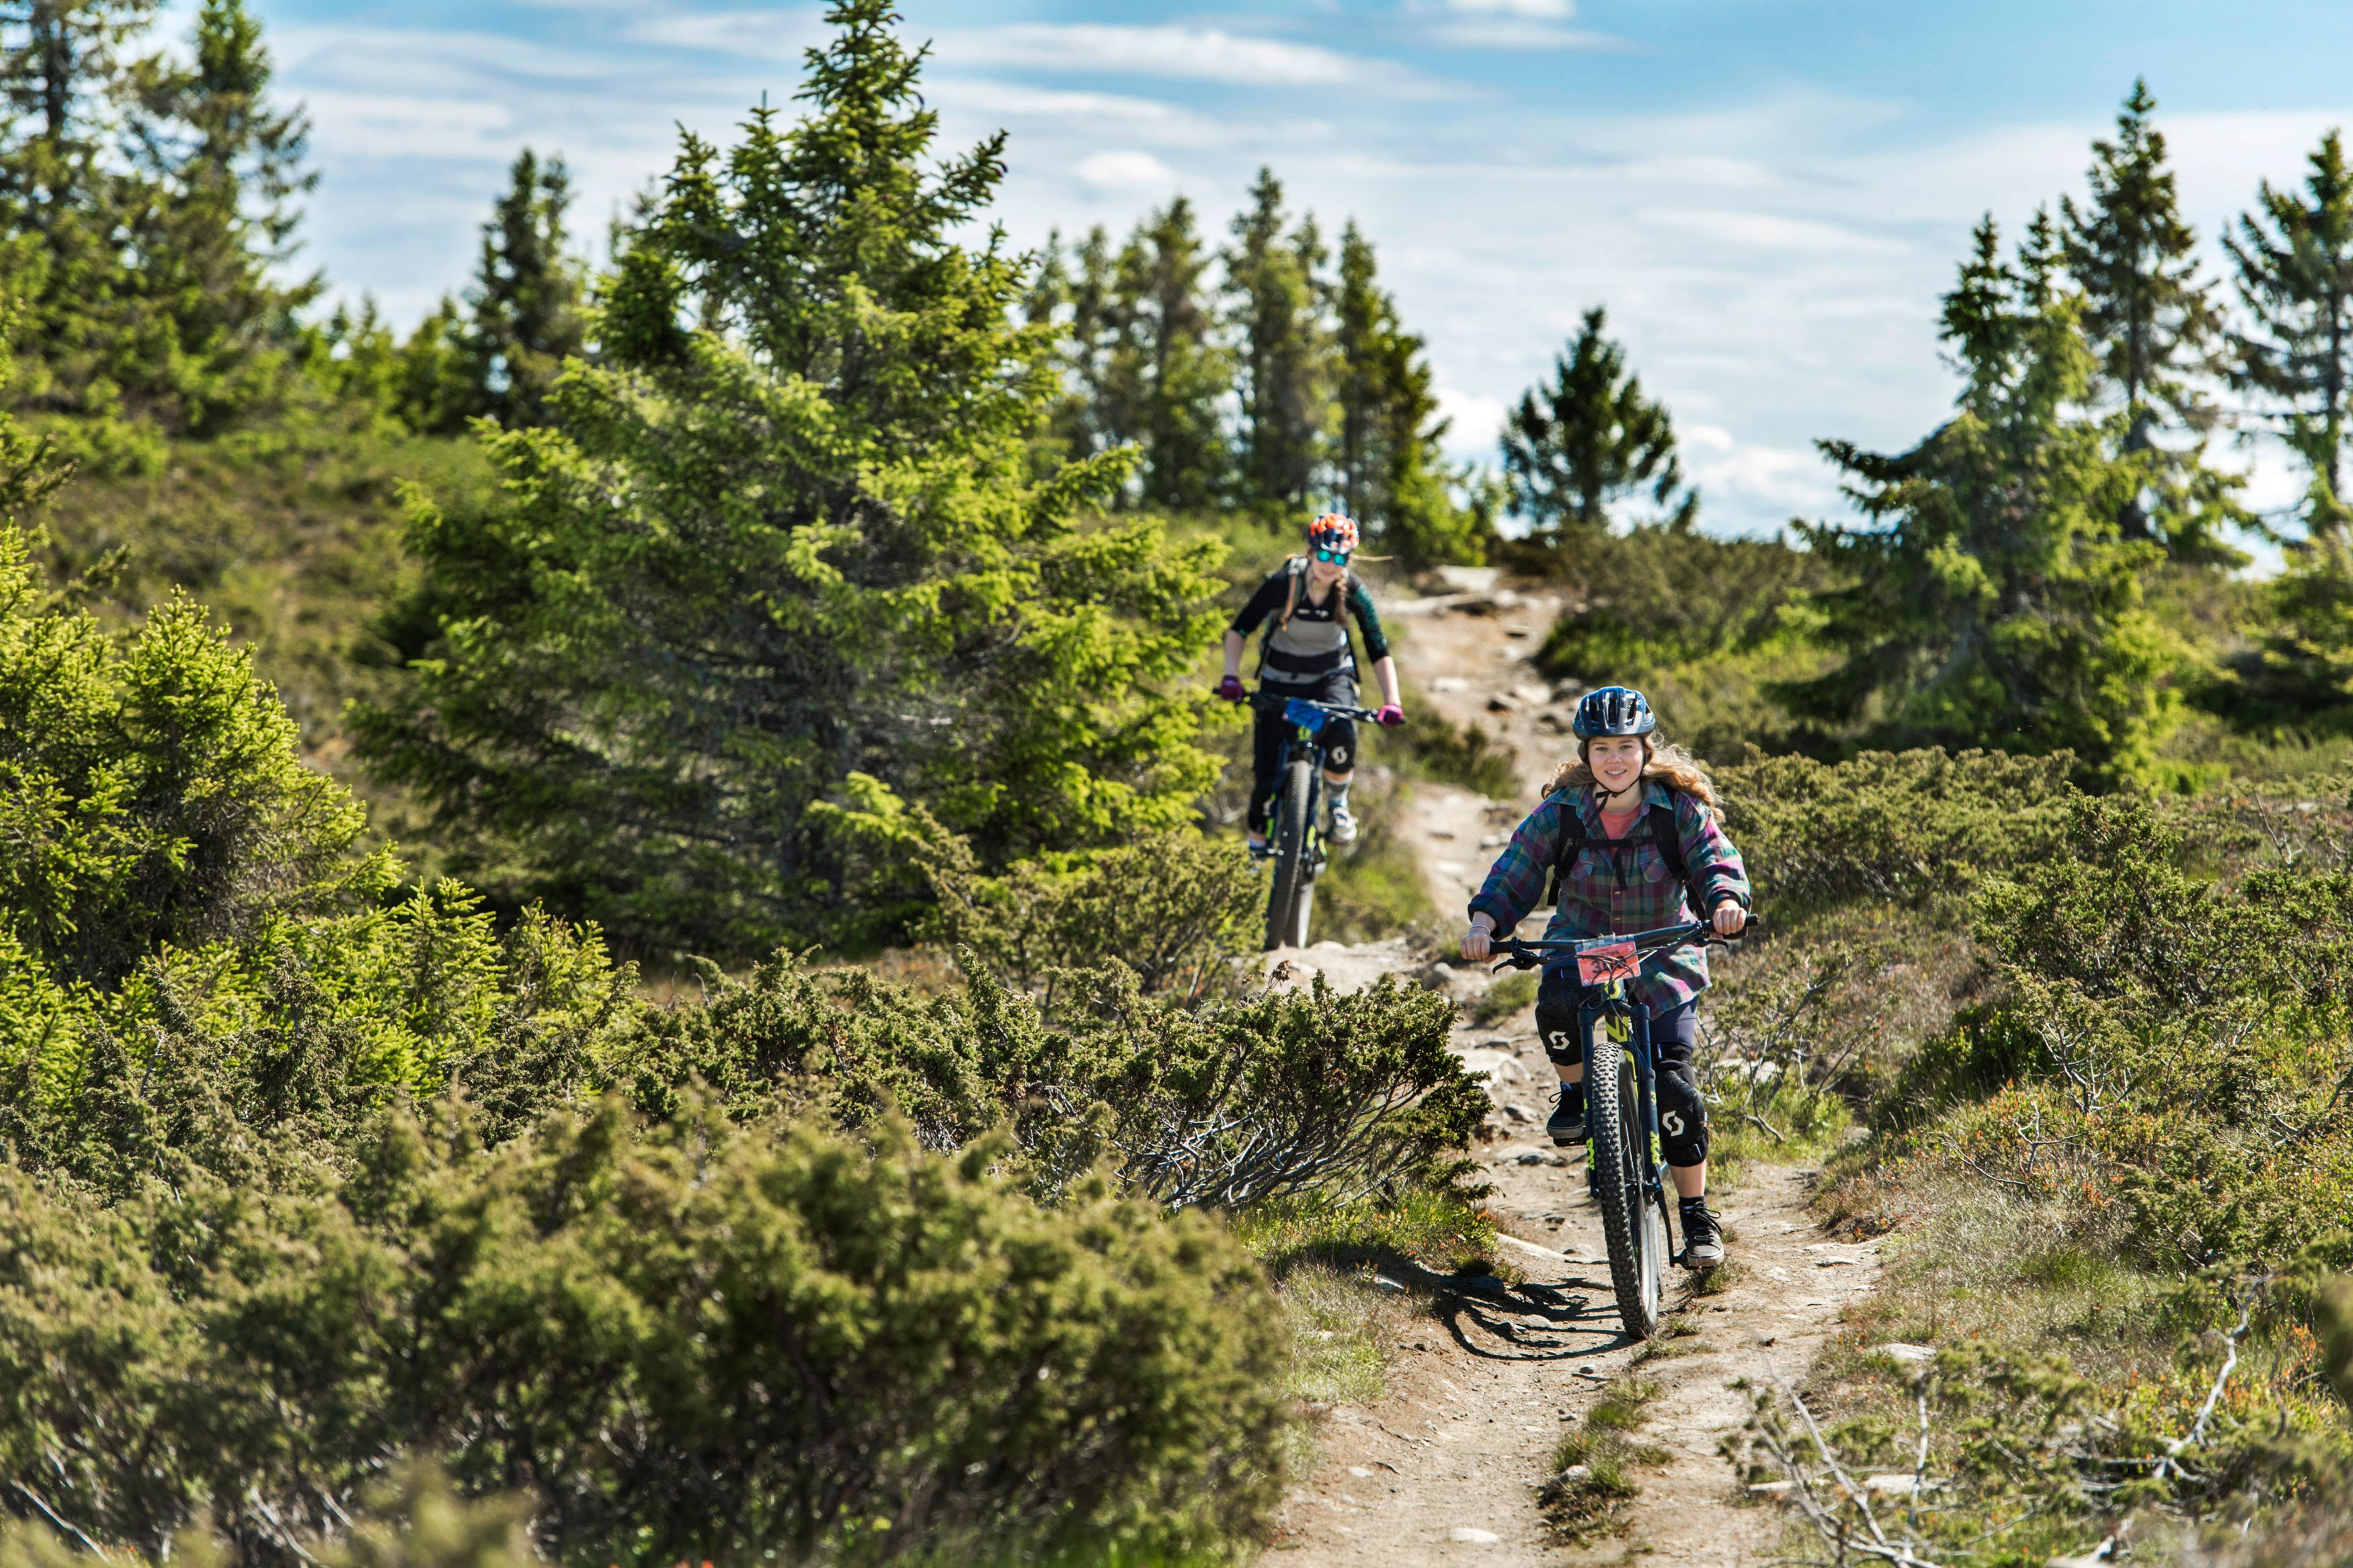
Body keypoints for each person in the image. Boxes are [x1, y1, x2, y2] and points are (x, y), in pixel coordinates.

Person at [1457, 686, 1751, 1266]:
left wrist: (1725, 903)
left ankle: (1696, 1218)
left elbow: (1716, 861)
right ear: (1585, 753)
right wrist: (1486, 921)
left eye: (1625, 747)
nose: (1614, 759)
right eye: (1601, 748)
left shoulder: (1679, 810)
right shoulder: (1561, 813)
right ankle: (1574, 1092)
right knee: (1557, 1007)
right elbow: (1515, 870)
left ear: (1645, 749)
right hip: (1583, 945)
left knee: (1677, 1091)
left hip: (1663, 955)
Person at [1216, 513, 1403, 848]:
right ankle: (1255, 853)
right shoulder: (1282, 583)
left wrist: (1393, 702)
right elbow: (1239, 629)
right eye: (1325, 554)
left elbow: (1378, 647)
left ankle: (1337, 805)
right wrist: (1231, 675)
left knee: (1343, 730)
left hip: (1330, 677)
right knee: (1266, 774)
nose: (1331, 564)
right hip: (1279, 678)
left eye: (1340, 558)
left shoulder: (1353, 591)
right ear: (1311, 550)